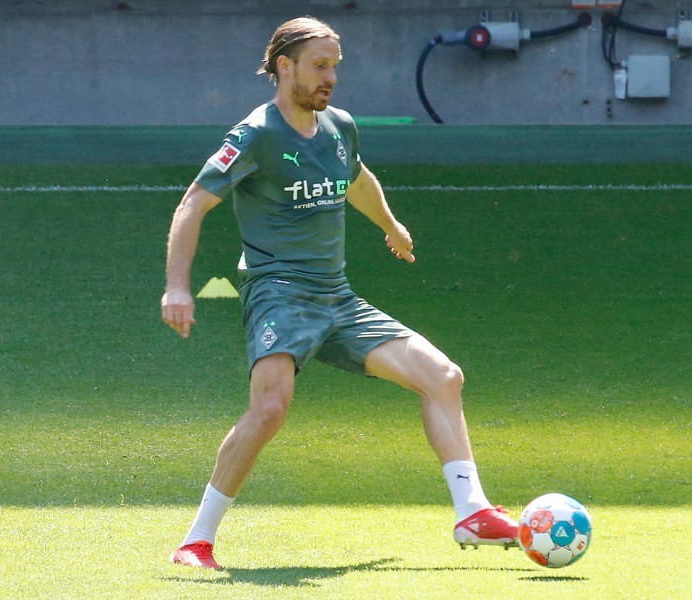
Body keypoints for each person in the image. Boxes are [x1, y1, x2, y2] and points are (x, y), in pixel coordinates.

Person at [161, 16, 518, 570]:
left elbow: (356, 178)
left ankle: (471, 511)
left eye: (335, 67)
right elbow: (192, 204)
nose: (330, 78)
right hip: (278, 293)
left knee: (443, 377)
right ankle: (196, 541)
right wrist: (178, 287)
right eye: (319, 66)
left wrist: (390, 226)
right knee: (271, 408)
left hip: (338, 299)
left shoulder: (339, 126)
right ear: (285, 67)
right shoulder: (254, 135)